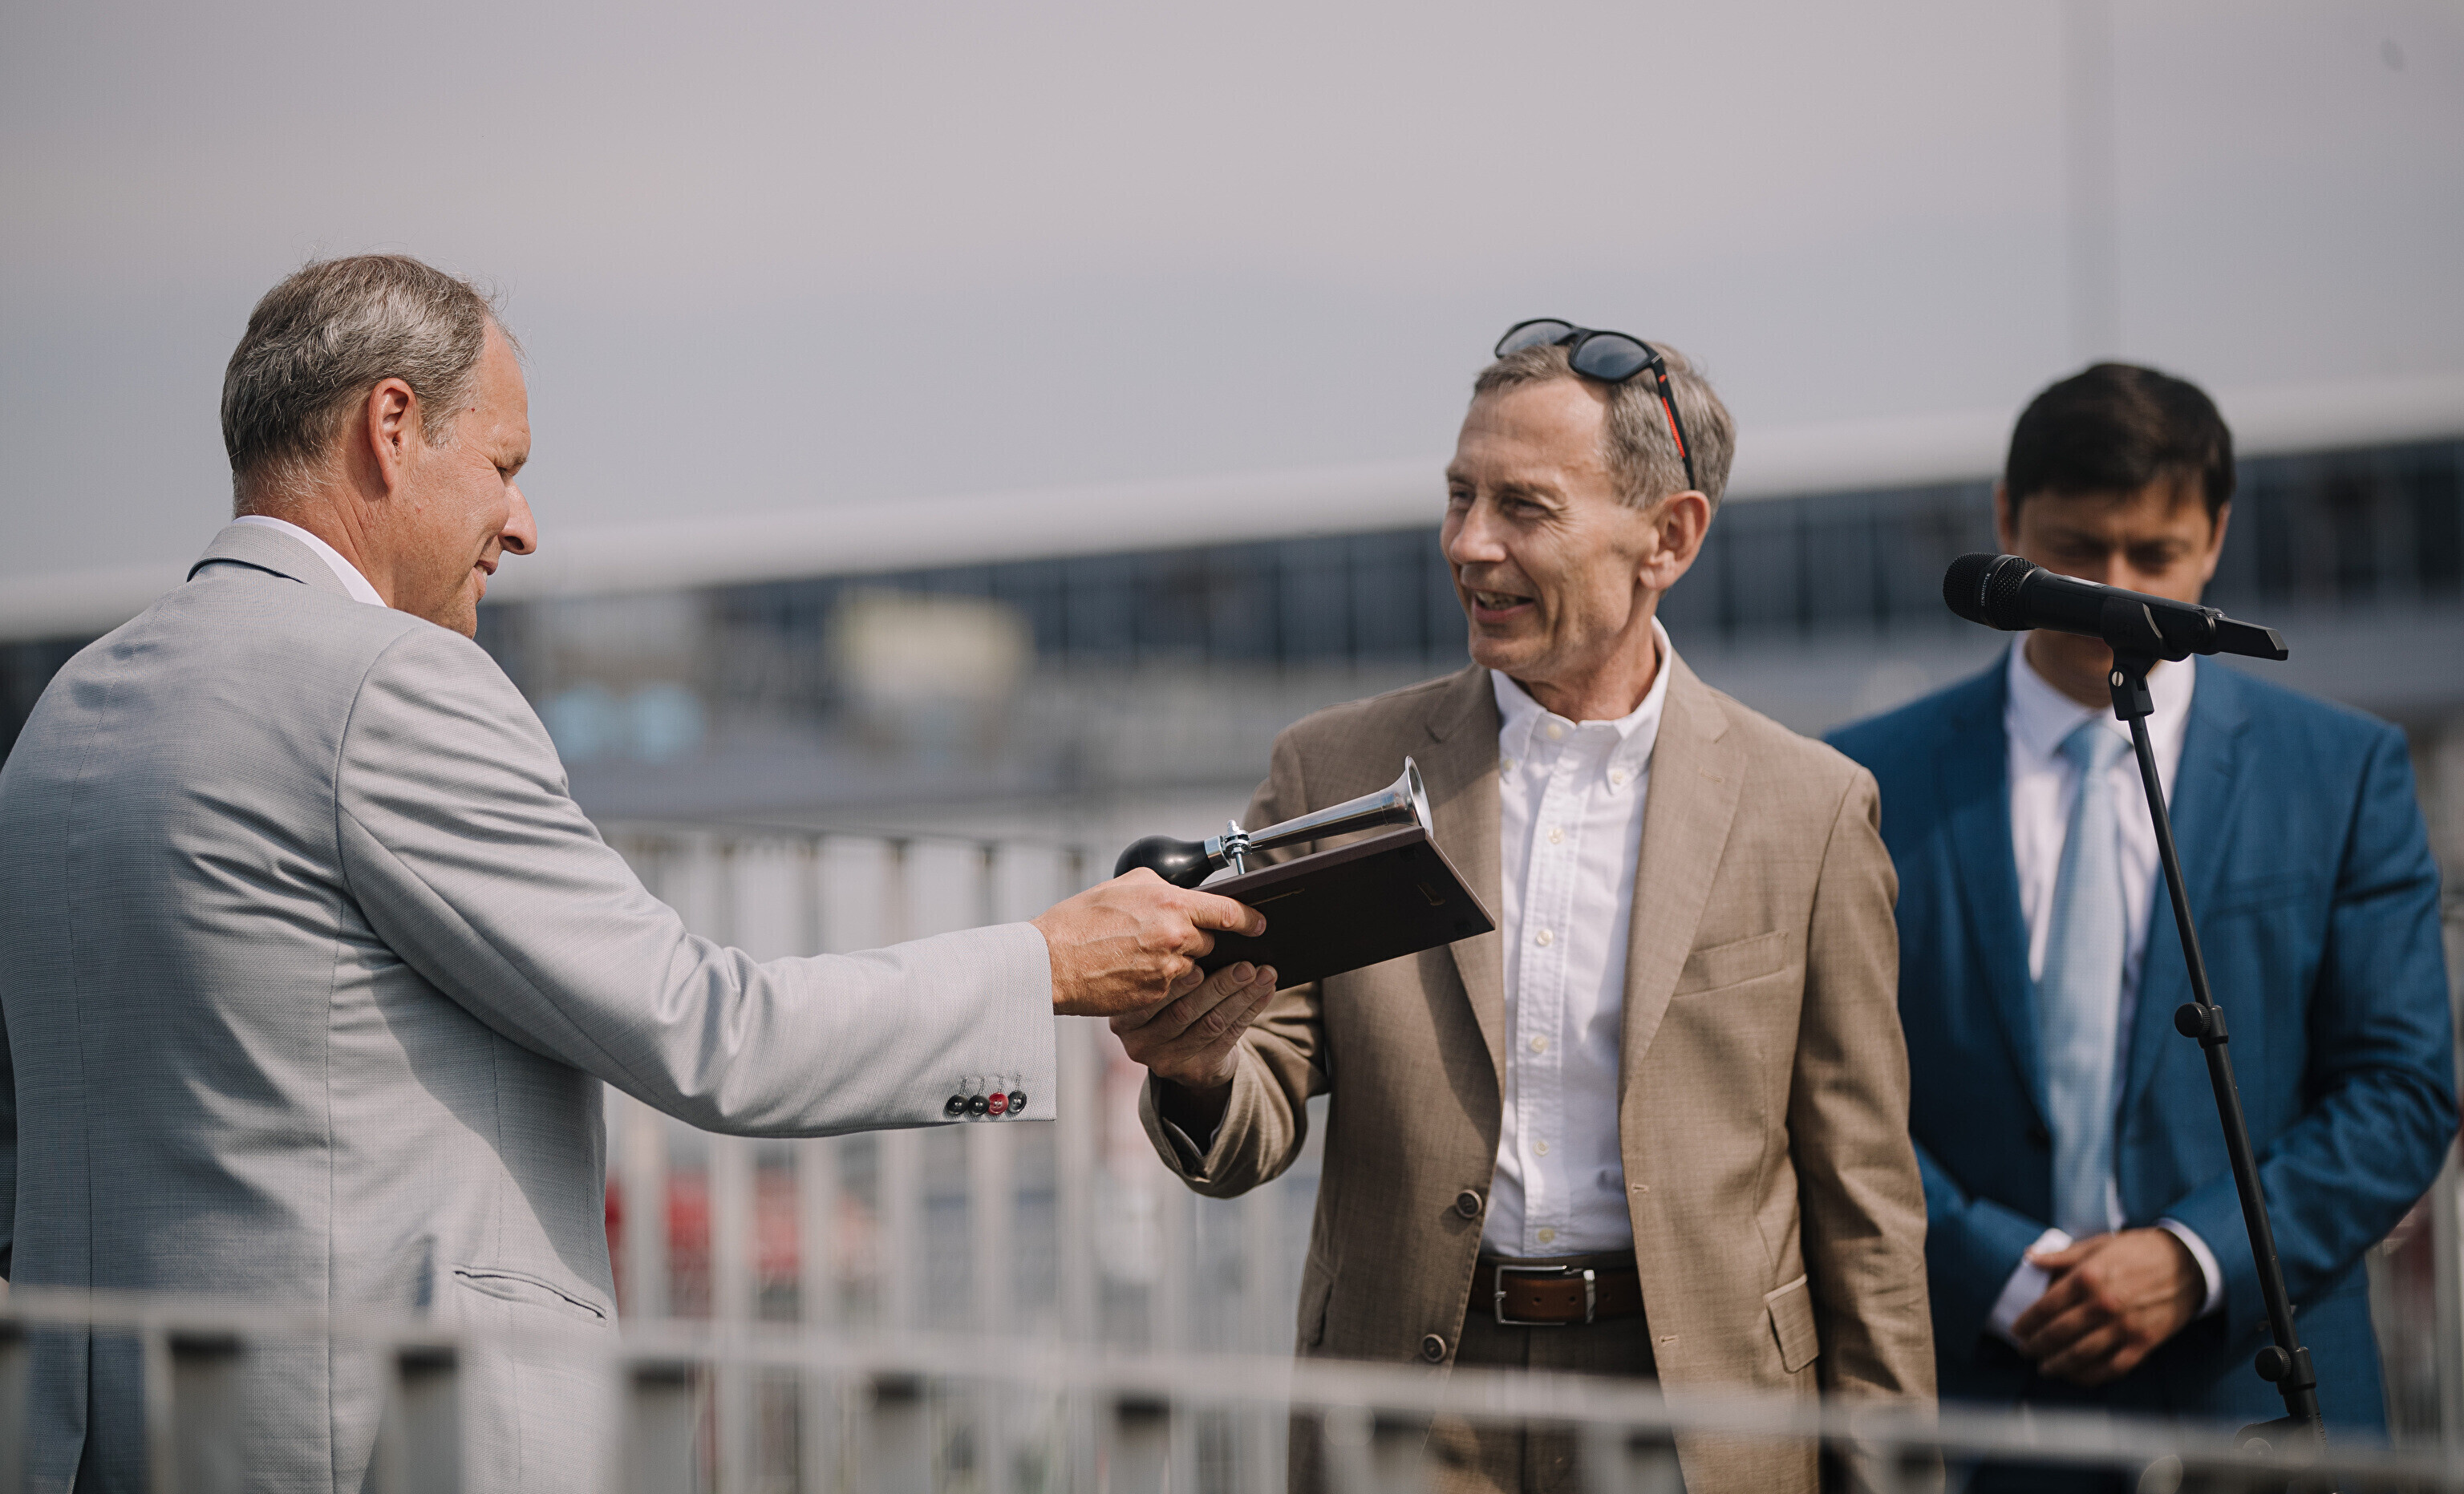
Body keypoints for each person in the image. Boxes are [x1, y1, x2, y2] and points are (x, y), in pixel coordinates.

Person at [0, 255, 1261, 1492]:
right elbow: (715, 1035)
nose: (523, 525)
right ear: (390, 427)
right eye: (504, 467)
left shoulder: (69, 713)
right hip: (384, 1446)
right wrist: (1044, 967)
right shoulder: (389, 686)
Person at [1115, 321, 1935, 1494]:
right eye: (1460, 496)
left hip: (1705, 1419)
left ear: (1670, 537)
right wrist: (1196, 1068)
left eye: (1524, 508)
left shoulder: (1810, 809)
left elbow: (1866, 1205)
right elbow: (1253, 1110)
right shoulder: (1333, 773)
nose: (1469, 544)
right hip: (1412, 1415)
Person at [1827, 364, 2455, 1449]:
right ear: (2008, 522)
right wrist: (1994, 1269)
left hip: (2262, 1397)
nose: (2112, 592)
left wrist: (2195, 1257)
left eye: (2153, 555)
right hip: (1971, 1399)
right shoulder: (1861, 782)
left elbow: (2402, 1089)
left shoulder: (2340, 772)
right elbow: (1830, 1081)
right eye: (2075, 551)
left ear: (2215, 535)